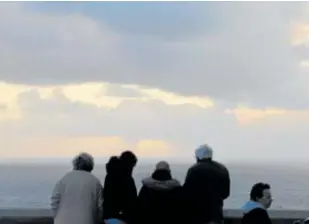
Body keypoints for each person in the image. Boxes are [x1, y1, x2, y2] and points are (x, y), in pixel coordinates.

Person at [183, 144, 230, 224]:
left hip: (197, 215)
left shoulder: (193, 170)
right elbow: (226, 193)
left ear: (198, 157)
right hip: (216, 215)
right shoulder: (222, 169)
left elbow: (186, 193)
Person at [51, 152, 103, 224]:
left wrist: (57, 217)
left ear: (75, 164)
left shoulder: (65, 179)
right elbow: (101, 207)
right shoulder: (95, 181)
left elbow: (54, 201)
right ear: (90, 166)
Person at [103, 151, 138, 224]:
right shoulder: (127, 179)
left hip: (108, 216)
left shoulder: (110, 175)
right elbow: (131, 200)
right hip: (123, 218)